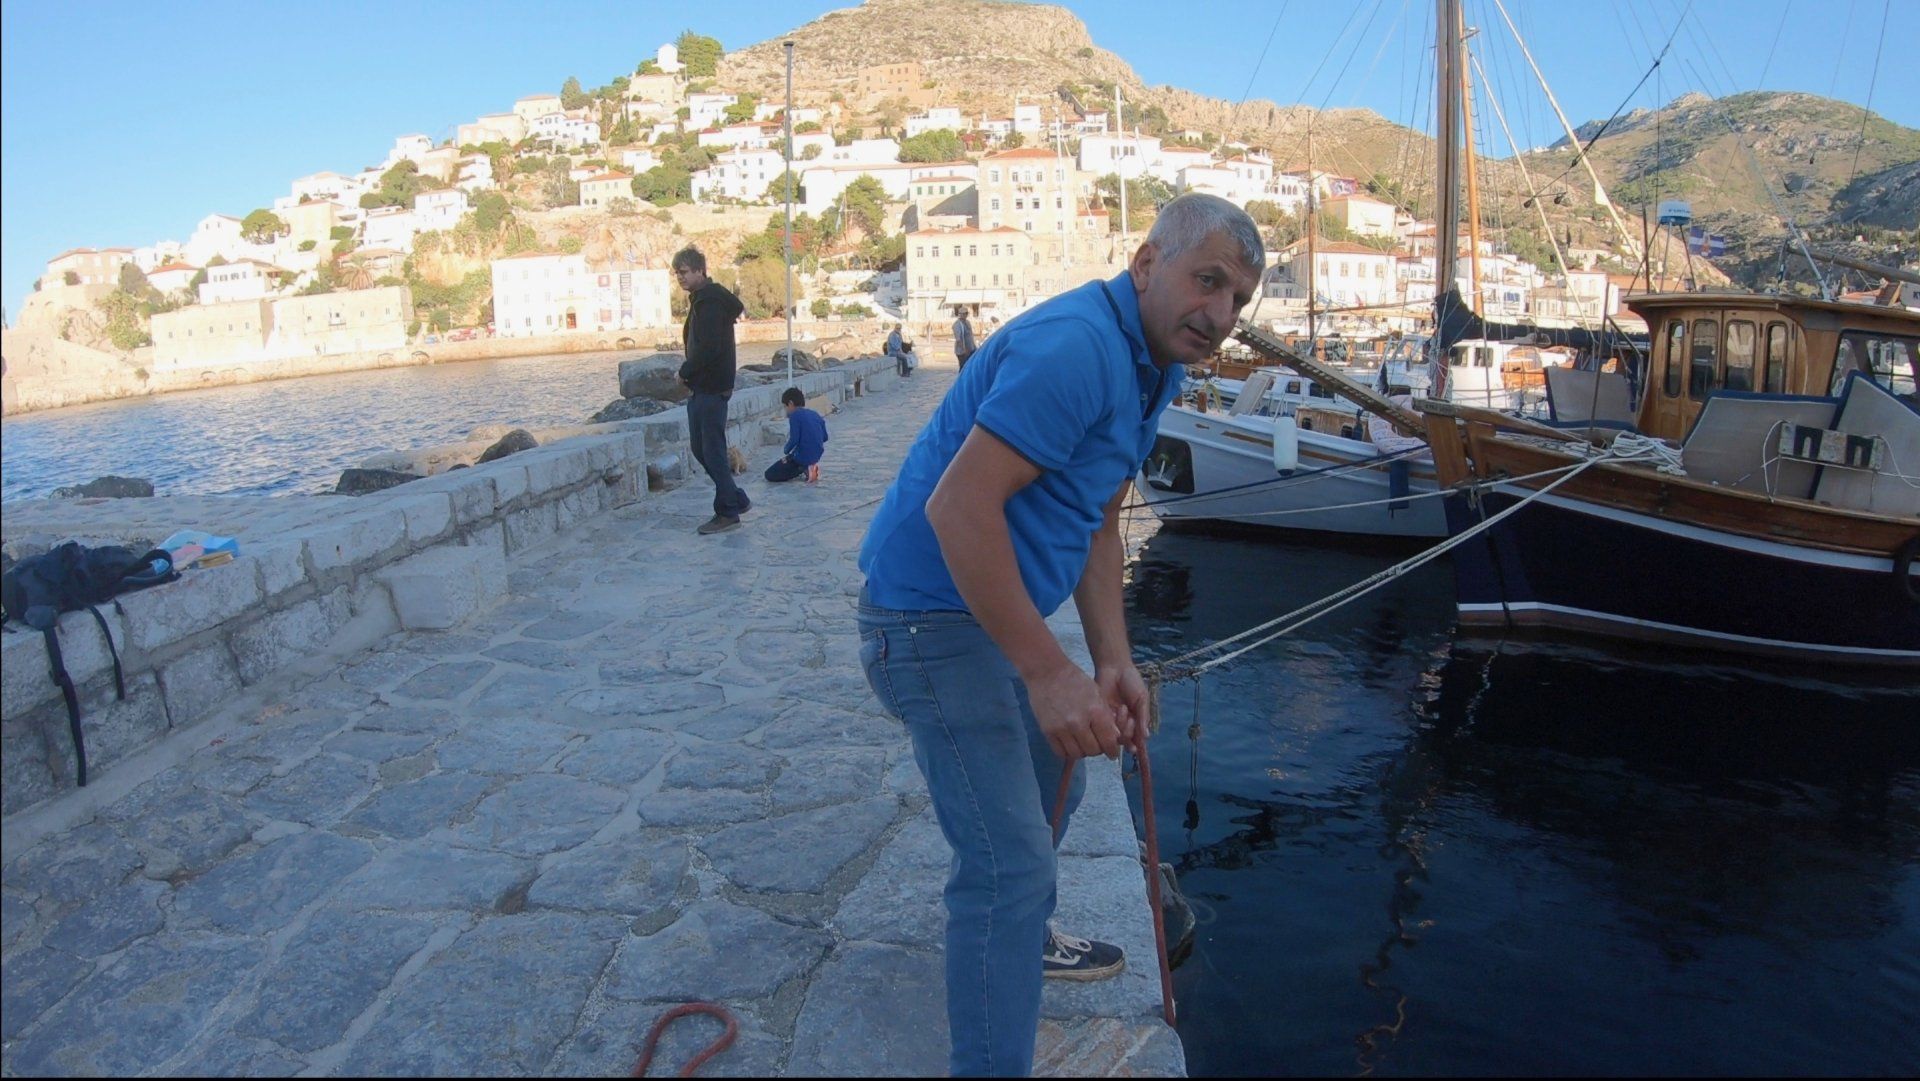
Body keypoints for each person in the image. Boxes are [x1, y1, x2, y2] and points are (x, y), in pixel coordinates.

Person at [854, 193, 1264, 1077]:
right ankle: (1003, 972)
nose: (1222, 314)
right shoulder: (1077, 348)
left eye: (1238, 299)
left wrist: (1112, 660)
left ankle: (1020, 937)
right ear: (1146, 263)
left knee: (1059, 779)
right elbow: (958, 507)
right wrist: (1048, 672)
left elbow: (1098, 520)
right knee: (1007, 868)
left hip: (979, 613)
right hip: (923, 619)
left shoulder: (1154, 366)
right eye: (1208, 281)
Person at [673, 246, 751, 535]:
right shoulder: (702, 300)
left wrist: (684, 372)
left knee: (712, 450)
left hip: (711, 388)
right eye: (676, 273)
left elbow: (708, 348)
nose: (679, 277)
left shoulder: (710, 303)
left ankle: (727, 512)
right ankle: (736, 498)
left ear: (699, 271)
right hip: (703, 388)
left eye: (684, 272)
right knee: (700, 448)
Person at [765, 387, 829, 483]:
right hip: (816, 455)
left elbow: (794, 439)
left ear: (790, 403)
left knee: (770, 474)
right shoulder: (815, 414)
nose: (786, 410)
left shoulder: (794, 416)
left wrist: (786, 450)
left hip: (801, 457)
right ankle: (808, 466)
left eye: (785, 406)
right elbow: (825, 437)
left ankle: (805, 468)